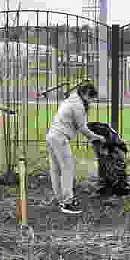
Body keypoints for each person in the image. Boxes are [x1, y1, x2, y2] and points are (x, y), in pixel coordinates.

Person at [46, 81, 106, 214]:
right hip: (60, 138)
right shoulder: (78, 105)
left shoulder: (71, 98)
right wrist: (97, 137)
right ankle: (67, 203)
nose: (91, 101)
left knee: (56, 169)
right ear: (85, 94)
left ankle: (60, 199)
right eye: (91, 98)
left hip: (51, 136)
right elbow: (82, 128)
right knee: (67, 168)